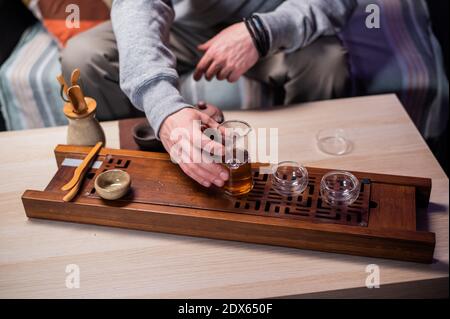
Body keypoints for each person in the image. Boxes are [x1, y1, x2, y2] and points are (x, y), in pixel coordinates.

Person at [61, 0, 356, 188]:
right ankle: (148, 153)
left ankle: (302, 178)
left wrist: (261, 33)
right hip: (181, 26)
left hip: (275, 20)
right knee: (83, 56)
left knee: (328, 62)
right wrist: (165, 110)